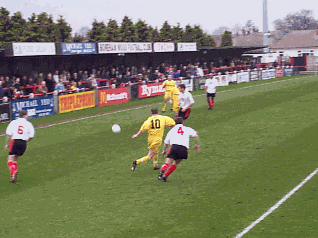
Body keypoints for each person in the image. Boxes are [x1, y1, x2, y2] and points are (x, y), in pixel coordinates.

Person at [158, 117, 199, 182]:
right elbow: (196, 136)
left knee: (167, 162)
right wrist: (197, 145)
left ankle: (161, 172)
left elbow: (166, 142)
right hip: (184, 149)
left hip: (174, 147)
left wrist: (164, 150)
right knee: (176, 163)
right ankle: (165, 176)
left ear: (175, 123)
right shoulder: (187, 129)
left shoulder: (172, 130)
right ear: (182, 122)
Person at [5, 110, 35, 183]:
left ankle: (13, 170)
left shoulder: (13, 122)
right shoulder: (28, 124)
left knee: (10, 159)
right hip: (23, 143)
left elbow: (8, 134)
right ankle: (13, 177)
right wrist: (26, 141)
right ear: (24, 115)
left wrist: (7, 143)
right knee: (15, 159)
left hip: (15, 141)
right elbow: (31, 136)